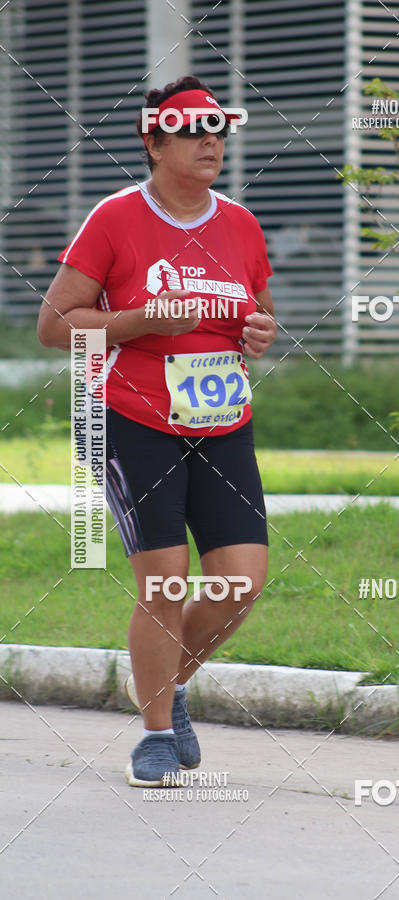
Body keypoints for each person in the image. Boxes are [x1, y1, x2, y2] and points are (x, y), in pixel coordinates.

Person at [37, 75, 276, 786]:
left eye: (217, 128)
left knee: (241, 582)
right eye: (192, 127)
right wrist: (136, 322)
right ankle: (152, 736)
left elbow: (257, 314)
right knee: (167, 584)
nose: (211, 139)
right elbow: (55, 327)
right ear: (153, 140)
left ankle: (166, 690)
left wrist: (260, 333)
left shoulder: (240, 222)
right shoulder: (115, 218)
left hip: (223, 419)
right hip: (134, 418)